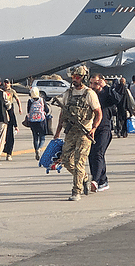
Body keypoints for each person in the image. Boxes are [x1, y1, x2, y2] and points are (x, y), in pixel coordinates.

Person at [54, 65, 102, 201]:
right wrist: (57, 133)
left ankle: (76, 191)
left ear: (83, 78)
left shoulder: (90, 94)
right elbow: (62, 114)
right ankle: (84, 177)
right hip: (70, 131)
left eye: (77, 77)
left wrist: (93, 128)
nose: (74, 79)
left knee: (79, 161)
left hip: (84, 133)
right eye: (73, 77)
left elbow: (98, 113)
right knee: (66, 160)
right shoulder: (68, 93)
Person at [88, 74, 121, 193]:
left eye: (96, 83)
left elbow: (117, 99)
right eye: (91, 83)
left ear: (102, 82)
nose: (93, 86)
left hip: (104, 129)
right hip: (91, 129)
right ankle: (103, 180)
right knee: (92, 155)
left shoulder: (106, 93)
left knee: (98, 153)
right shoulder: (90, 94)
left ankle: (95, 181)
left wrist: (106, 87)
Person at [26, 87, 50, 160]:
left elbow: (28, 110)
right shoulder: (42, 100)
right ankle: (40, 148)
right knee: (42, 137)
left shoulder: (30, 101)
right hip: (41, 121)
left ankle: (36, 149)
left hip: (32, 121)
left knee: (35, 137)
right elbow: (47, 109)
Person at [2, 79, 22, 161]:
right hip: (3, 111)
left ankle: (9, 153)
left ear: (10, 84)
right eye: (5, 83)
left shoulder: (12, 91)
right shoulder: (1, 91)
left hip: (10, 110)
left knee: (10, 135)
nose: (6, 84)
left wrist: (20, 108)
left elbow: (17, 99)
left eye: (7, 83)